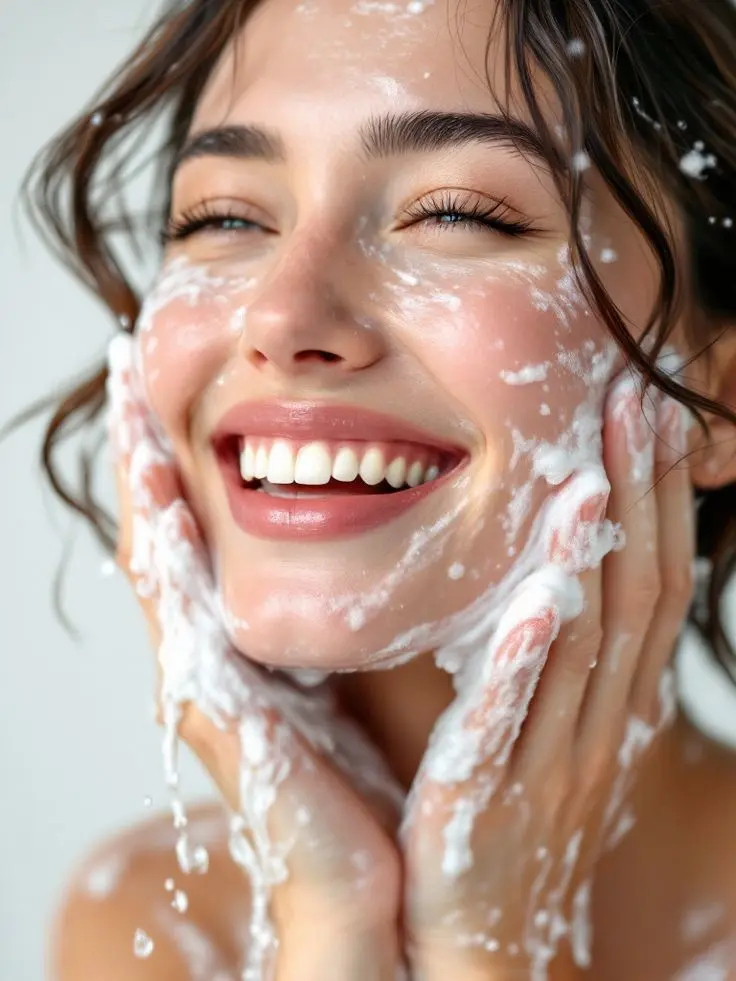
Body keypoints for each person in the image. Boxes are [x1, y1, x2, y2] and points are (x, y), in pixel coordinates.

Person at [21, 0, 736, 978]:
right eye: (223, 216)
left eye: (455, 213)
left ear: (714, 397)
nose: (283, 313)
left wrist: (490, 951)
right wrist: (329, 928)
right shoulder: (153, 934)